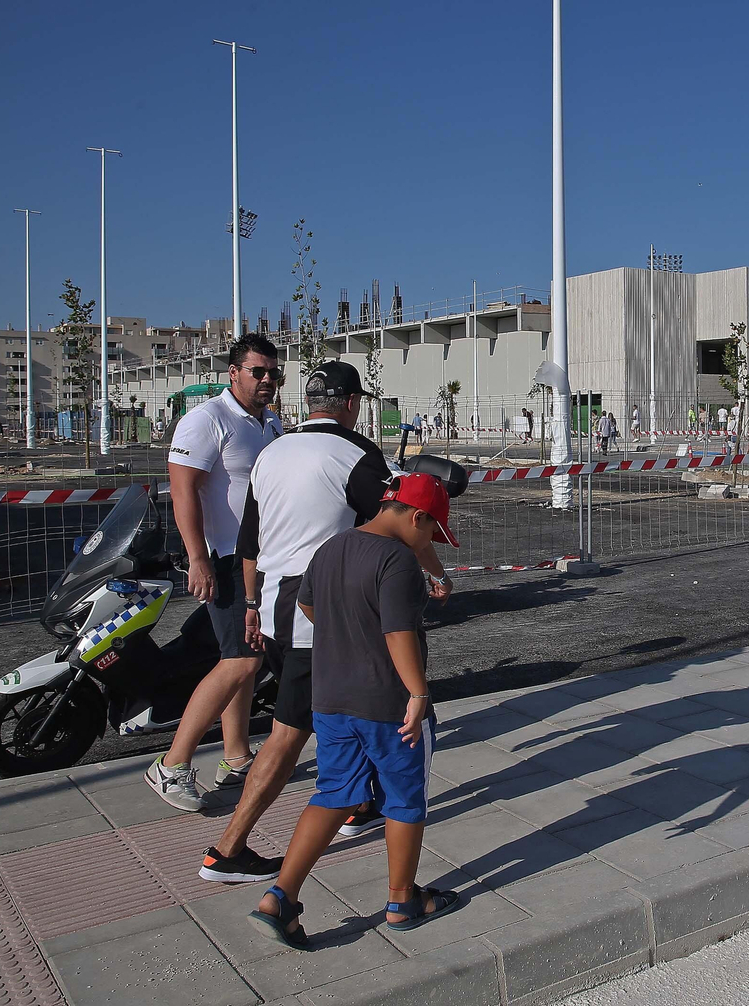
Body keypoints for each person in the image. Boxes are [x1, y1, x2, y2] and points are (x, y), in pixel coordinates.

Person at [197, 361, 453, 882]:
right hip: (323, 606)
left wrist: (251, 606)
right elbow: (401, 520)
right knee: (291, 733)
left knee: (335, 716)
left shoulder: (272, 451)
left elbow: (251, 541)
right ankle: (227, 849)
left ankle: (360, 805)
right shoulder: (356, 454)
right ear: (354, 404)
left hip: (274, 603)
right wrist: (437, 574)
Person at [247, 473, 464, 947]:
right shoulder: (398, 562)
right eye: (431, 531)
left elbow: (307, 605)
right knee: (406, 798)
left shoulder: (332, 548)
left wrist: (349, 633)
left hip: (330, 699)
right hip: (388, 703)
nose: (430, 542)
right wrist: (418, 693)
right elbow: (397, 633)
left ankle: (279, 896)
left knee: (335, 793)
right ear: (416, 516)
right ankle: (402, 900)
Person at [146, 333, 284, 811]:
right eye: (257, 372)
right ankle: (171, 765)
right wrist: (198, 558)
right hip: (223, 558)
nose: (267, 380)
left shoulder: (270, 423)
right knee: (240, 662)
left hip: (258, 558)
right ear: (234, 374)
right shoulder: (207, 420)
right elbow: (183, 490)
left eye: (273, 372)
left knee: (248, 654)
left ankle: (236, 755)